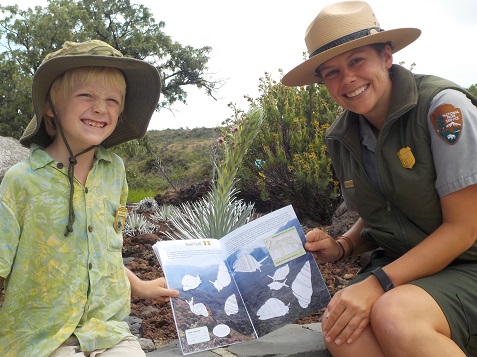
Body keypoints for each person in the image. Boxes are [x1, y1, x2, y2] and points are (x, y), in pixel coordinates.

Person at [282, 1, 477, 356]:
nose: (347, 79)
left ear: (386, 56)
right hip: (409, 263)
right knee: (341, 327)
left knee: (395, 315)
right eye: (331, 72)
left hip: (467, 262)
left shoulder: (443, 109)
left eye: (356, 61)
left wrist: (377, 284)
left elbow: (464, 228)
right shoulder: (343, 136)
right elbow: (388, 208)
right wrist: (342, 245)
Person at [0, 40, 179, 357]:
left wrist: (139, 286)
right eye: (86, 96)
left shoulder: (114, 173)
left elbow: (98, 250)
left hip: (107, 331)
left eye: (113, 100)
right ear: (50, 106)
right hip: (39, 339)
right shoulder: (20, 182)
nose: (101, 107)